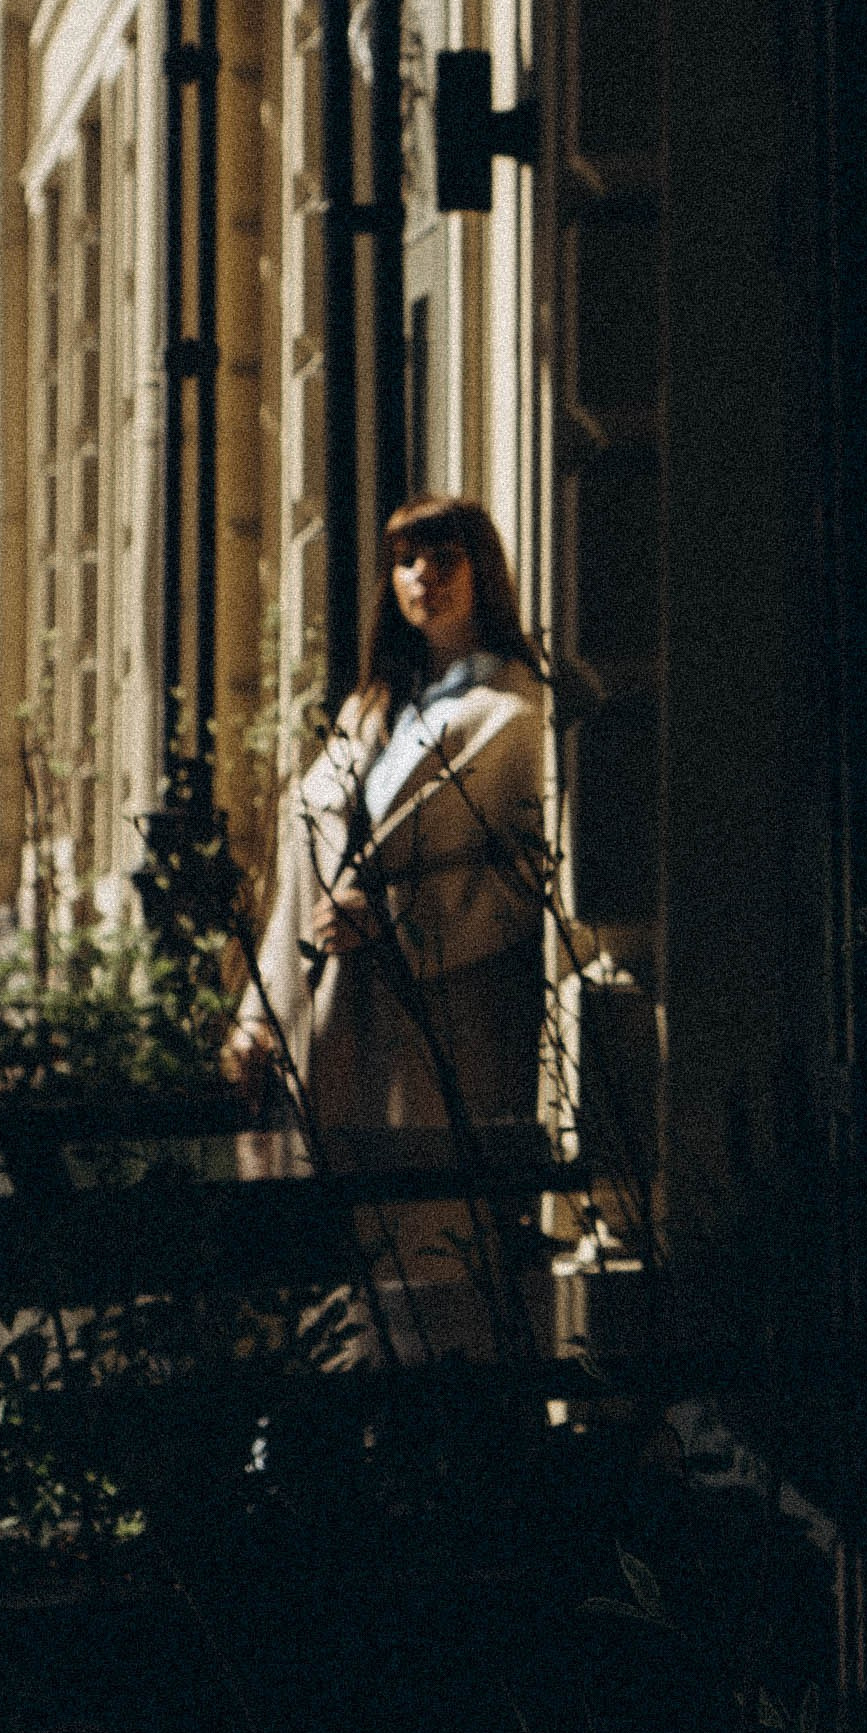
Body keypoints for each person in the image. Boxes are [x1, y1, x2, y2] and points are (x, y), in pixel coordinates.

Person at [230, 495, 551, 1217]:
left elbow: (528, 879)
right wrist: (258, 1016)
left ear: (483, 572)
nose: (422, 576)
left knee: (422, 1236)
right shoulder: (371, 708)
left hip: (433, 1024)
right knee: (340, 1244)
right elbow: (305, 871)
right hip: (331, 1019)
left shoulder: (512, 712)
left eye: (444, 559)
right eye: (406, 561)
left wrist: (396, 917)